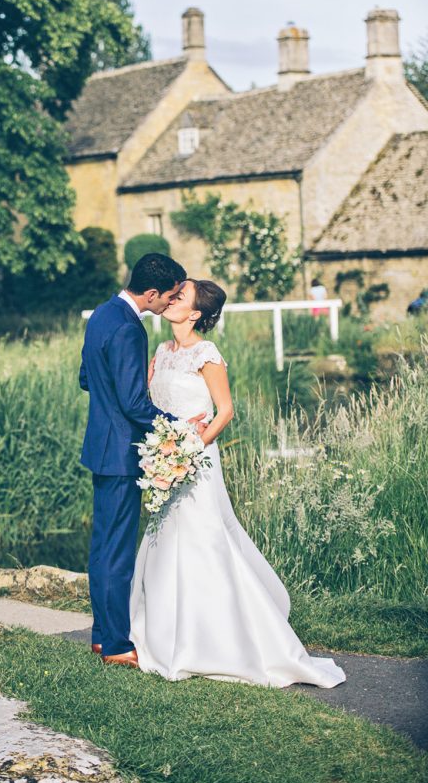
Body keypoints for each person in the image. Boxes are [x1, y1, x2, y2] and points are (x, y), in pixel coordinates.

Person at [129, 278, 346, 688]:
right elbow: (147, 402)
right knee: (164, 540)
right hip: (166, 457)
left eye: (182, 296)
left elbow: (225, 411)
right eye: (174, 294)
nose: (173, 298)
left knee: (204, 542)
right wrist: (162, 442)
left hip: (195, 461)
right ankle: (162, 633)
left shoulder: (206, 353)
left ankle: (220, 641)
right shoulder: (160, 351)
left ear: (195, 313)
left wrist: (189, 449)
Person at [79, 253, 206, 668]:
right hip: (120, 453)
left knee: (102, 549)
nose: (169, 302)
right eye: (168, 295)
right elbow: (135, 404)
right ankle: (116, 645)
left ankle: (101, 635)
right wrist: (179, 427)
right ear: (151, 293)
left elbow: (86, 378)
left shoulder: (101, 314)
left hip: (101, 447)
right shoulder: (130, 329)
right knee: (116, 552)